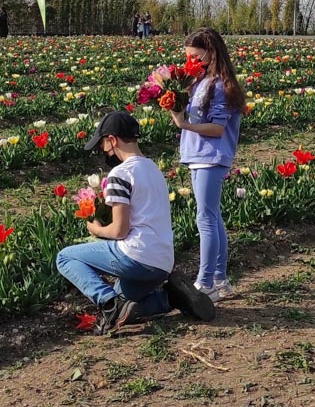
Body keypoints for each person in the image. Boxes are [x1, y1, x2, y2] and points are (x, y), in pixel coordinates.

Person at [56, 110, 214, 334]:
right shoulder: (153, 169)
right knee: (126, 302)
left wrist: (97, 229)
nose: (103, 151)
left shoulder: (120, 174)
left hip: (137, 257)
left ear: (112, 140)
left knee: (65, 257)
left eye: (102, 144)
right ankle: (171, 298)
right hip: (162, 263)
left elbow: (120, 231)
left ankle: (109, 306)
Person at [170, 28, 246, 302]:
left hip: (210, 158)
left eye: (195, 57)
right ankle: (220, 280)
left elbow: (216, 128)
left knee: (205, 220)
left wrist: (184, 124)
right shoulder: (202, 82)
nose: (190, 63)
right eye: (187, 58)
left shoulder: (219, 86)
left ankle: (205, 283)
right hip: (200, 156)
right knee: (213, 218)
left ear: (211, 53)